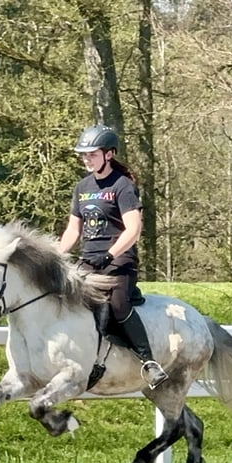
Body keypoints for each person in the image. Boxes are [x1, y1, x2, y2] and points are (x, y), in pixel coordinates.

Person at [58, 124, 168, 389]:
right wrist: (56, 255)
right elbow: (74, 229)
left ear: (108, 154)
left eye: (92, 154)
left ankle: (148, 362)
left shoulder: (123, 187)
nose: (86, 159)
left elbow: (133, 229)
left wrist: (109, 256)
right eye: (83, 155)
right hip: (88, 261)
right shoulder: (81, 187)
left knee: (117, 305)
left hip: (118, 262)